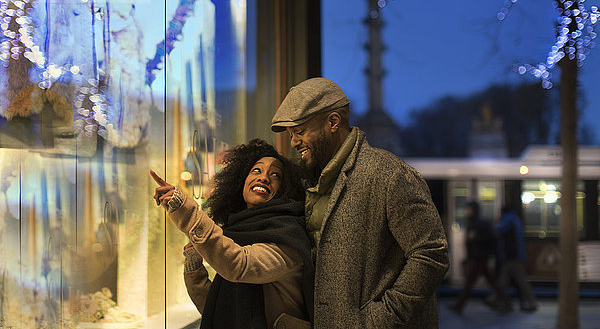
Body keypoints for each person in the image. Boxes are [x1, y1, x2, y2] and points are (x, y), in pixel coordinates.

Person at [270, 77, 449, 328]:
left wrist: (380, 320)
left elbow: (432, 254)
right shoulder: (310, 182)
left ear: (333, 122)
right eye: (291, 134)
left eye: (299, 132)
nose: (294, 142)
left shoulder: (388, 174)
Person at [150, 139, 314, 329]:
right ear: (241, 182)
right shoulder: (236, 230)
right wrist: (195, 267)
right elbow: (216, 308)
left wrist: (185, 210)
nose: (263, 177)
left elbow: (239, 265)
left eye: (275, 174)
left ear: (285, 189)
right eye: (256, 170)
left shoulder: (288, 236)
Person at [448, 201, 512, 315]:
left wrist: (476, 237)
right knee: (489, 282)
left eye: (469, 209)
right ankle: (507, 303)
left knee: (472, 283)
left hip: (481, 257)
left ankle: (459, 305)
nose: (467, 211)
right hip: (478, 257)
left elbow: (489, 237)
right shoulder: (472, 222)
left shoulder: (481, 223)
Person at [486, 206, 537, 312]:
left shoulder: (508, 219)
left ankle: (532, 303)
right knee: (506, 279)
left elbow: (499, 230)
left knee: (519, 281)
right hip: (515, 256)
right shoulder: (515, 218)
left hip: (512, 256)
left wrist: (491, 225)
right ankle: (494, 299)